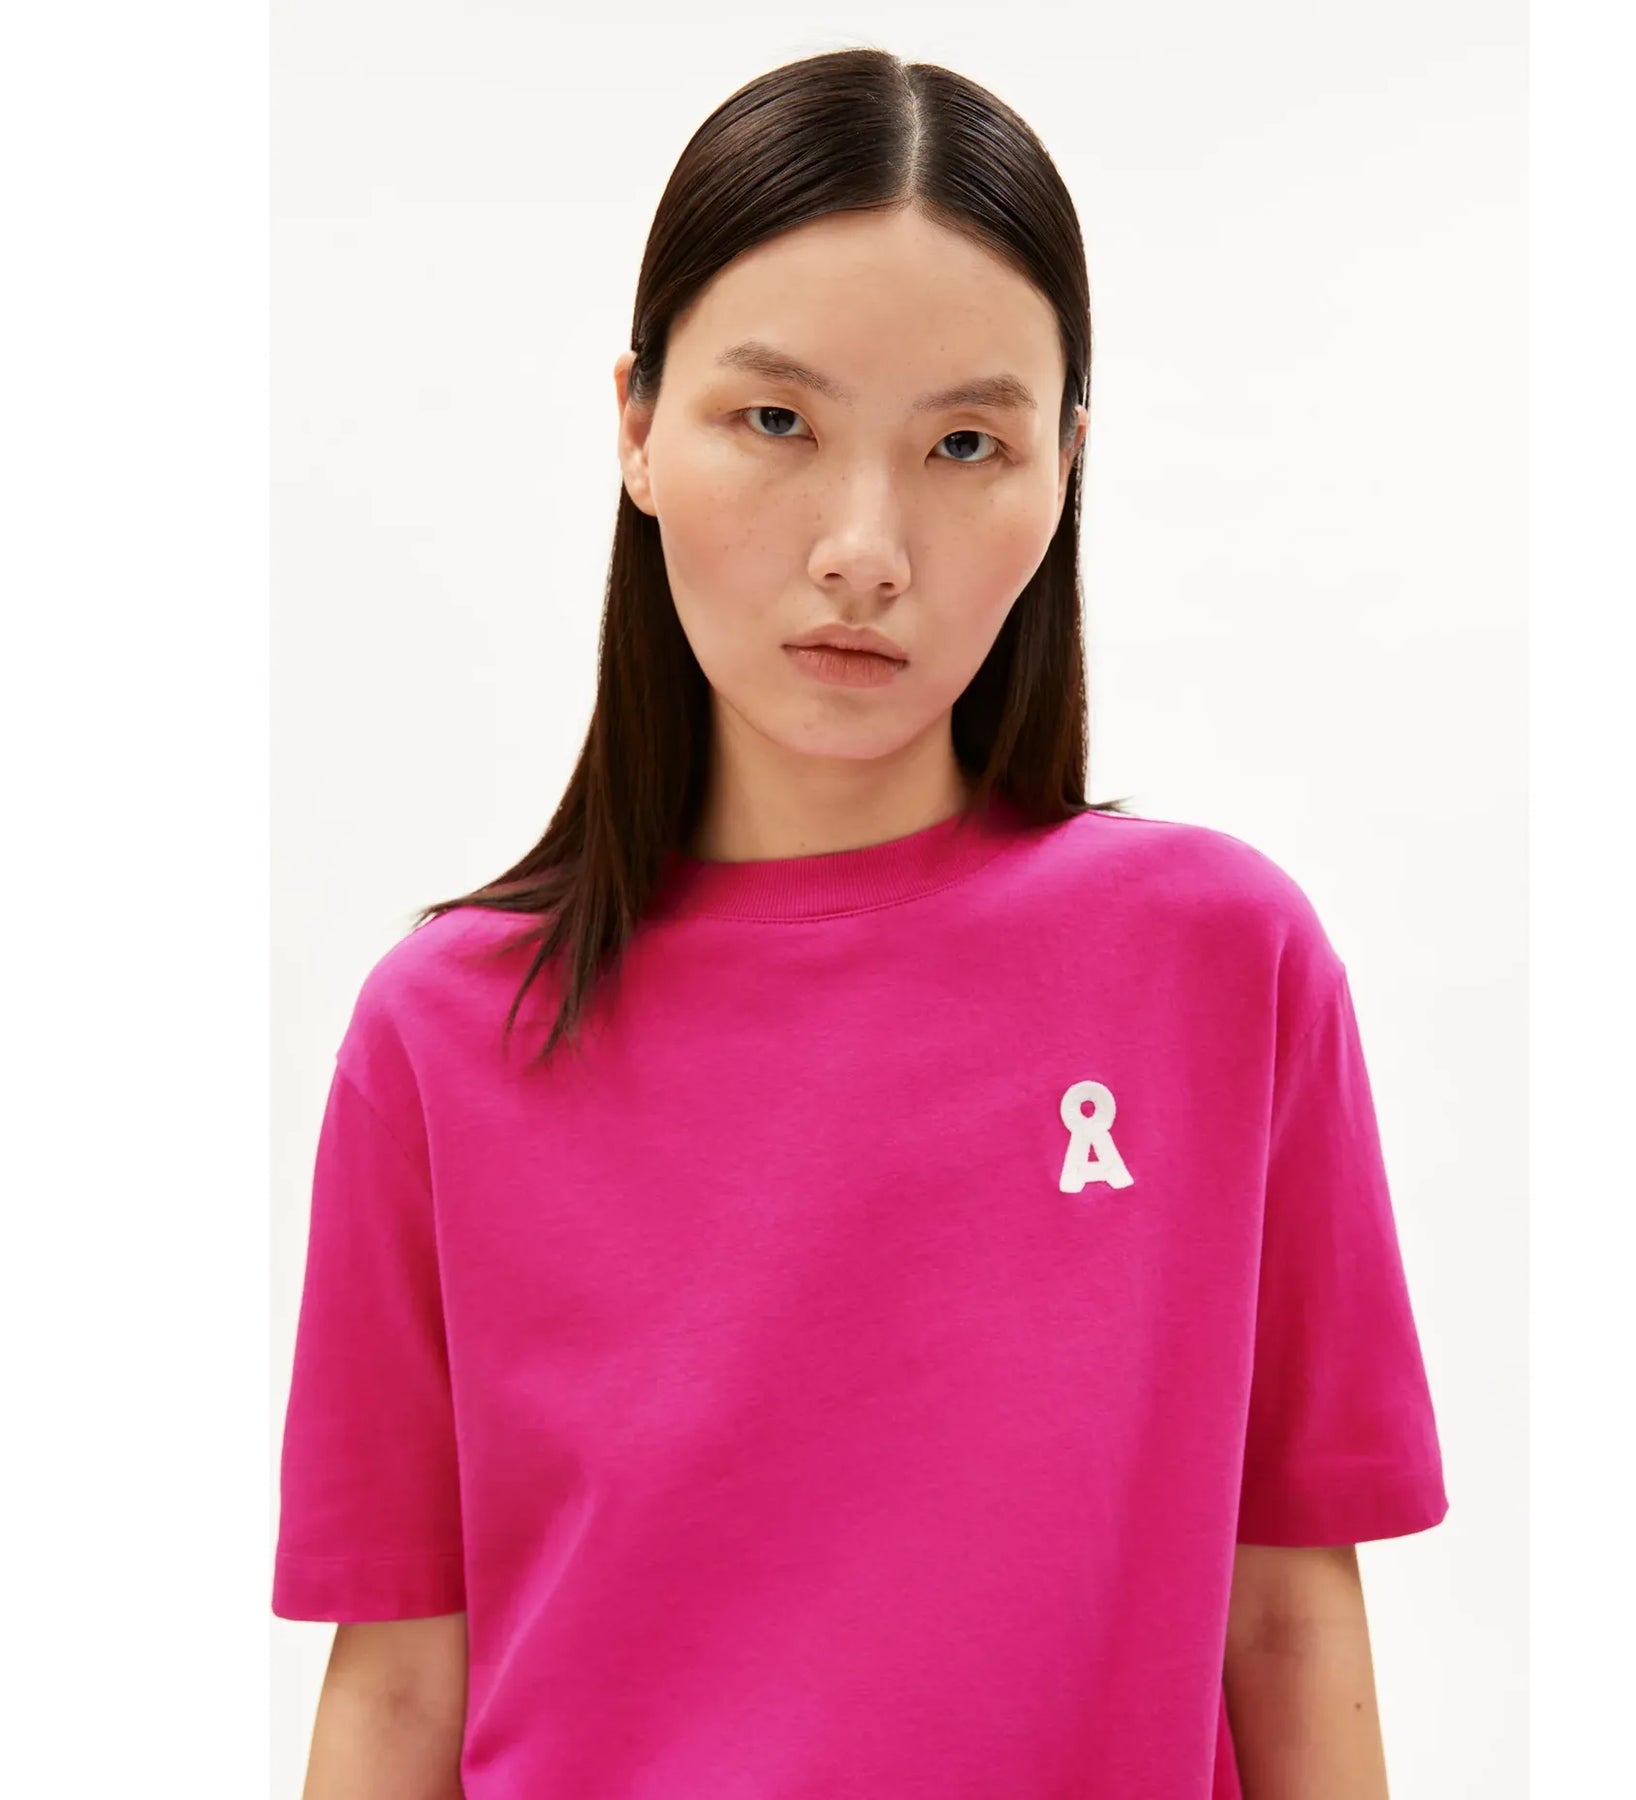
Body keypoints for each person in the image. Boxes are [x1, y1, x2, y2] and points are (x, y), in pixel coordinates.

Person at [273, 43, 1449, 1800]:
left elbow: (1287, 1618)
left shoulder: (1220, 964)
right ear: (635, 426)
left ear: (1064, 468)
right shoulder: (447, 1033)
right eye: (778, 423)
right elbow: (395, 1694)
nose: (864, 547)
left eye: (965, 443)